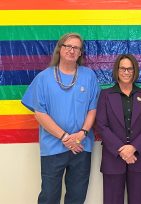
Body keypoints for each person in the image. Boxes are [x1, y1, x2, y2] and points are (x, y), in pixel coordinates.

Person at [21, 33, 100, 204]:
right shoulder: (43, 78)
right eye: (68, 46)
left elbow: (92, 109)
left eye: (76, 48)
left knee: (77, 196)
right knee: (49, 197)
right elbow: (39, 114)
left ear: (80, 53)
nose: (72, 51)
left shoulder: (89, 76)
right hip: (52, 148)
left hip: (81, 146)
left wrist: (82, 133)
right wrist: (64, 137)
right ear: (60, 49)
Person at [96, 54, 141, 204]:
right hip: (113, 158)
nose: (126, 72)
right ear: (117, 70)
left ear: (135, 71)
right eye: (123, 68)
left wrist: (133, 148)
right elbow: (101, 126)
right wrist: (121, 149)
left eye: (130, 69)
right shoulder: (105, 95)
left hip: (138, 158)